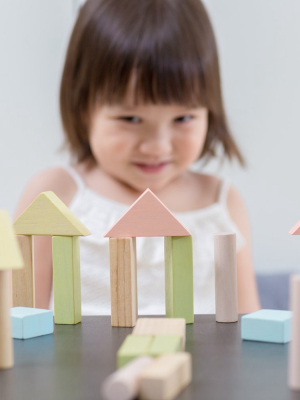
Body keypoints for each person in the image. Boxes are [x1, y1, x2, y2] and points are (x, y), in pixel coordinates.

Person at [15, 0, 261, 315]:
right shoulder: (55, 195)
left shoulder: (220, 203)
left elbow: (251, 323)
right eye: (130, 119)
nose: (157, 146)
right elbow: (18, 319)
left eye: (183, 118)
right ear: (82, 107)